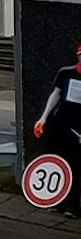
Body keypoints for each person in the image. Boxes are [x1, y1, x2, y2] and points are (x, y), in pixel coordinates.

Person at [31, 43, 81, 215]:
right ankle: (56, 200)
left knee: (75, 166)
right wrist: (43, 118)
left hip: (78, 129)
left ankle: (73, 205)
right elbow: (56, 94)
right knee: (56, 161)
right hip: (61, 123)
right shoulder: (66, 73)